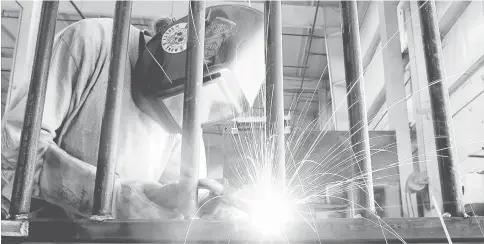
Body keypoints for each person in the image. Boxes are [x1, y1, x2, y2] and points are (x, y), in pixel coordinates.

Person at [1, 6, 264, 220]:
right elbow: (12, 154)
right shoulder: (94, 42)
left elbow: (178, 218)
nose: (182, 111)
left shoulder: (187, 122)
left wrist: (207, 211)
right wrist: (114, 199)